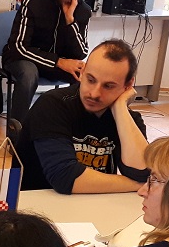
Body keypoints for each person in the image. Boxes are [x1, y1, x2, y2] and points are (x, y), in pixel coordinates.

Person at [18, 39, 149, 193]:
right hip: (41, 200)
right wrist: (136, 185)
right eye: (91, 80)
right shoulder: (52, 105)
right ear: (82, 71)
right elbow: (64, 178)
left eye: (108, 86)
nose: (94, 93)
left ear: (128, 85)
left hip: (95, 200)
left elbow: (144, 172)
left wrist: (120, 107)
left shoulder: (128, 119)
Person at [1, 0, 92, 124]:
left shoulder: (83, 10)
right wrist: (58, 62)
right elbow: (19, 47)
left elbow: (81, 53)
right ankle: (17, 132)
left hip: (54, 64)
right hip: (22, 60)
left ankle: (71, 129)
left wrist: (70, 20)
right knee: (29, 74)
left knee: (83, 75)